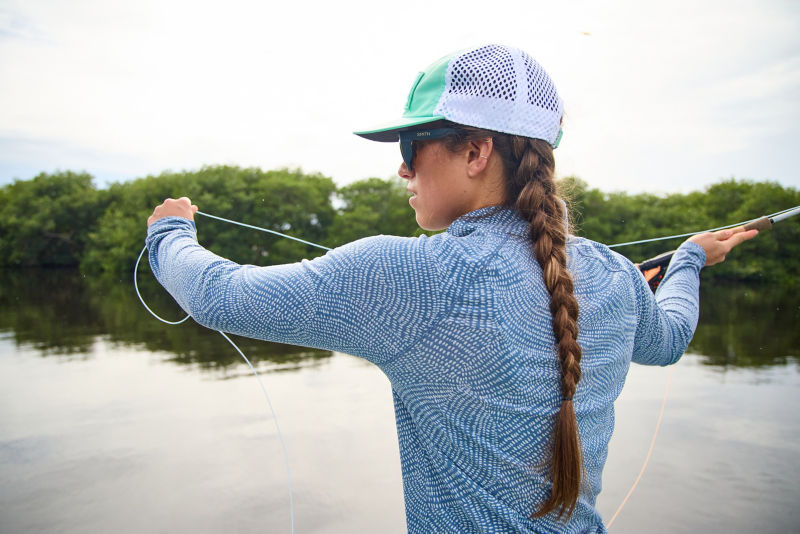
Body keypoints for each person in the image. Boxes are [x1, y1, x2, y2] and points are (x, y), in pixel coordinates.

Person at [146, 44, 756, 533]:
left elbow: (220, 295)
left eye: (412, 147)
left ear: (476, 151)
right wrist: (687, 263)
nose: (402, 168)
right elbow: (669, 338)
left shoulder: (410, 278)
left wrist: (169, 231)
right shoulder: (616, 278)